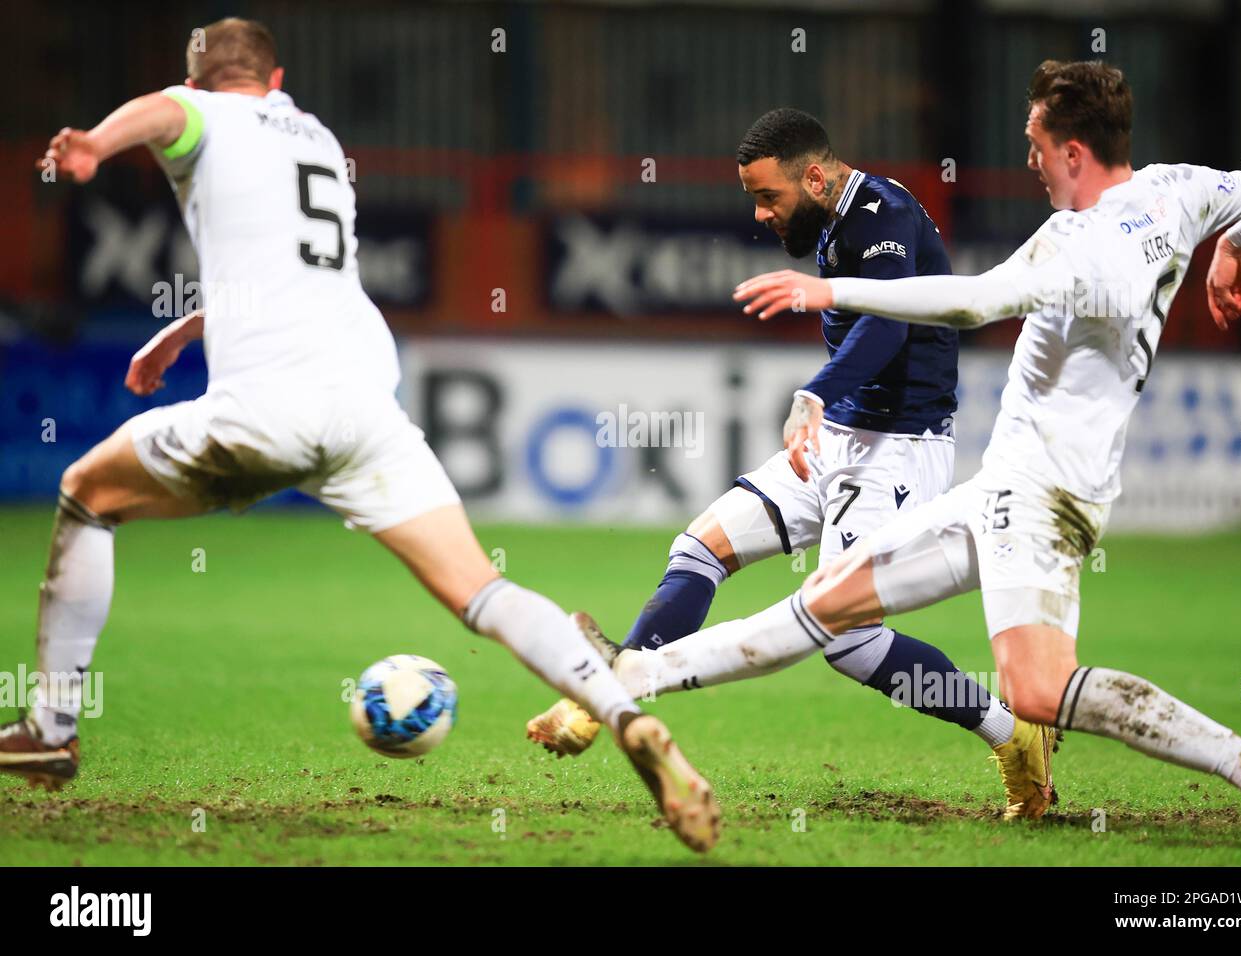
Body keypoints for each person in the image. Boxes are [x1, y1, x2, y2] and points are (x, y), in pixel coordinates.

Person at [0, 17, 719, 854]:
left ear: (200, 83)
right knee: (481, 592)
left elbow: (163, 116)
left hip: (267, 408)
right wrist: (187, 329)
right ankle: (622, 714)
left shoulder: (198, 111)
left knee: (87, 495)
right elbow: (294, 270)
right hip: (365, 407)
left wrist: (94, 141)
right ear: (278, 81)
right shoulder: (314, 139)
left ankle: (51, 724)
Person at [526, 108, 1059, 820]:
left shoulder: (884, 213)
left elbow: (890, 323)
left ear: (814, 176)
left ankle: (1013, 733)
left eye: (769, 195)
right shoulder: (835, 222)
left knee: (852, 642)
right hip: (837, 435)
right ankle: (610, 694)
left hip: (896, 449)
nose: (760, 213)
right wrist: (825, 405)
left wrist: (814, 392)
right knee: (702, 547)